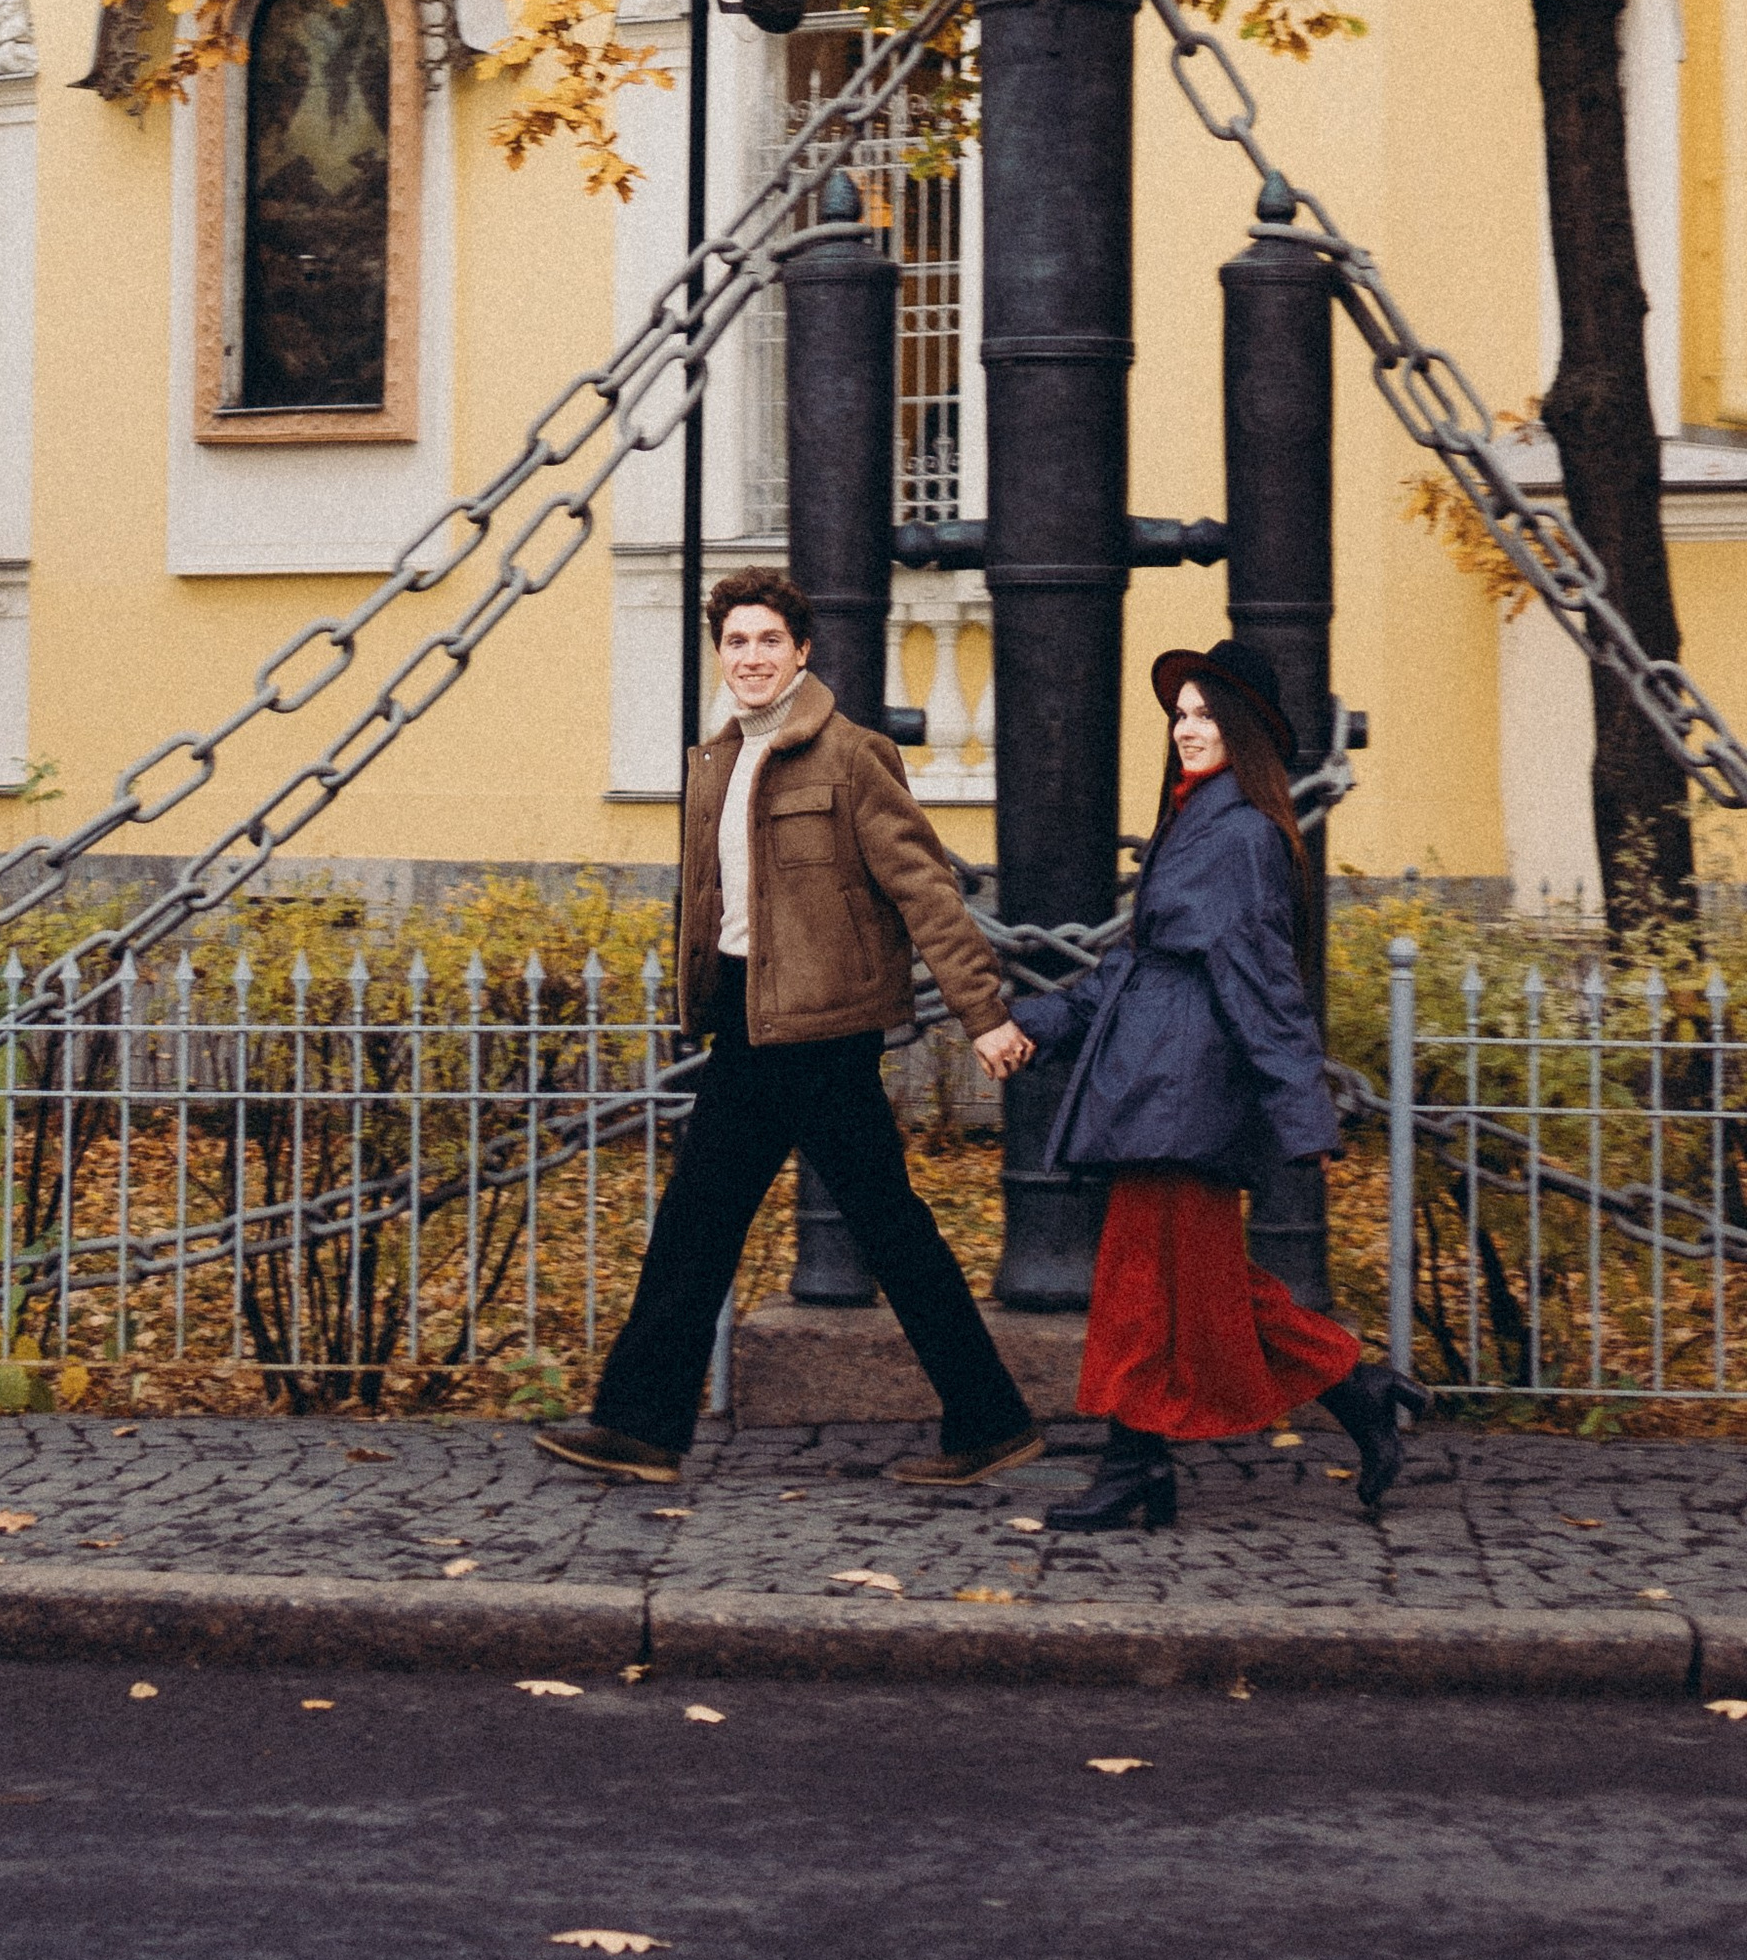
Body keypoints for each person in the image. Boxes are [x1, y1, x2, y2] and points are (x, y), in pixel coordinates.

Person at [535, 570, 1044, 1489]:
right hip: (748, 1022)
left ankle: (987, 1417)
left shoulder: (851, 756)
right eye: (737, 642)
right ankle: (644, 1424)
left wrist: (983, 1014)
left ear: (802, 651)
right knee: (708, 1223)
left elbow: (925, 889)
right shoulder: (719, 762)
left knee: (877, 1229)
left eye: (769, 640)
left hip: (824, 1035)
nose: (752, 658)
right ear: (720, 655)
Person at [1008, 640, 1426, 1531]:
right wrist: (1032, 1024)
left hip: (1181, 1098)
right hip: (1160, 1089)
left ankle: (1133, 1468)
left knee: (1141, 1288)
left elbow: (1264, 982)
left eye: (1206, 714)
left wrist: (1300, 1110)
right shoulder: (1199, 821)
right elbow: (1137, 972)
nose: (1187, 728)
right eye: (1181, 714)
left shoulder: (1234, 834)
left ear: (1245, 730)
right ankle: (1355, 1393)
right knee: (1196, 1287)